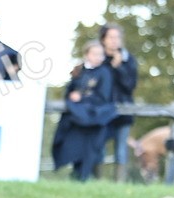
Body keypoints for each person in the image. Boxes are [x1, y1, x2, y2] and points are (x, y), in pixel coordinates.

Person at [51, 42, 116, 181]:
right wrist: (73, 96)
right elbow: (69, 91)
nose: (98, 57)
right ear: (87, 55)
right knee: (73, 147)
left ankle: (85, 177)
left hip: (93, 119)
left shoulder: (104, 72)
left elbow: (104, 97)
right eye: (95, 54)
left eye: (100, 54)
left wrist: (83, 97)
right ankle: (75, 175)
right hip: (76, 119)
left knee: (89, 152)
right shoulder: (79, 71)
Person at [99, 23, 138, 182]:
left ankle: (119, 183)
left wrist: (119, 67)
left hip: (124, 112)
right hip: (102, 112)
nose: (115, 41)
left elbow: (130, 85)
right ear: (103, 40)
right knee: (98, 147)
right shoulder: (98, 59)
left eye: (117, 37)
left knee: (121, 150)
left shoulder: (129, 60)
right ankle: (97, 182)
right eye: (111, 37)